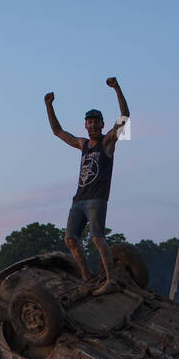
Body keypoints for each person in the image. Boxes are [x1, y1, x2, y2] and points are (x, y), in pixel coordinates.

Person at [45, 77, 130, 290]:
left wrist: (117, 89)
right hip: (79, 199)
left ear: (101, 124)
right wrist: (49, 106)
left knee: (97, 238)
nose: (92, 125)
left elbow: (125, 118)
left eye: (95, 122)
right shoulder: (83, 145)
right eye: (89, 122)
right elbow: (58, 132)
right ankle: (87, 277)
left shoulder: (107, 143)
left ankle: (111, 281)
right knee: (70, 239)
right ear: (85, 125)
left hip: (96, 199)